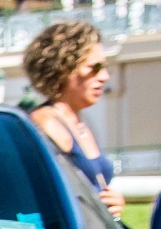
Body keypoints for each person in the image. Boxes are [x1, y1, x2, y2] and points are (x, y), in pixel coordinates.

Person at [22, 20, 125, 212]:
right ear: (64, 68)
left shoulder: (78, 124)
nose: (104, 77)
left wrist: (113, 203)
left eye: (104, 68)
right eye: (94, 68)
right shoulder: (47, 124)